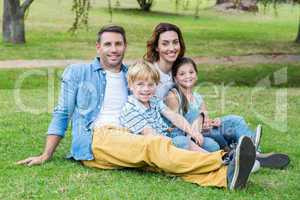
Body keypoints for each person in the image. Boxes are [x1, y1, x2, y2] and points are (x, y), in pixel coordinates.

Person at [17, 24, 256, 190]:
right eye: (108, 44)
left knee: (158, 161)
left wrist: (199, 116)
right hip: (98, 138)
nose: (113, 49)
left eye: (118, 44)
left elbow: (160, 91)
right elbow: (61, 114)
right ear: (98, 47)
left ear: (125, 46)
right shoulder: (79, 73)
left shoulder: (131, 75)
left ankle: (224, 178)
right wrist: (46, 154)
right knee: (154, 145)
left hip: (129, 137)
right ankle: (223, 160)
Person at [145, 23, 289, 170]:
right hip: (181, 130)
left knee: (234, 121)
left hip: (199, 125)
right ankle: (237, 154)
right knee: (212, 139)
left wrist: (206, 118)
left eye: (175, 42)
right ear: (156, 47)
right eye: (165, 43)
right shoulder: (151, 75)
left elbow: (199, 107)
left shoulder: (181, 67)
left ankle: (253, 152)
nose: (172, 48)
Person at [120, 61, 211, 152]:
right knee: (182, 142)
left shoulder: (153, 100)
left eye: (150, 84)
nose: (146, 89)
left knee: (211, 145)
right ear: (130, 86)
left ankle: (200, 148)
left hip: (169, 134)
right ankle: (210, 159)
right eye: (140, 84)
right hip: (157, 144)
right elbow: (151, 135)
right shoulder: (130, 110)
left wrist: (192, 132)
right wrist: (178, 142)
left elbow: (174, 116)